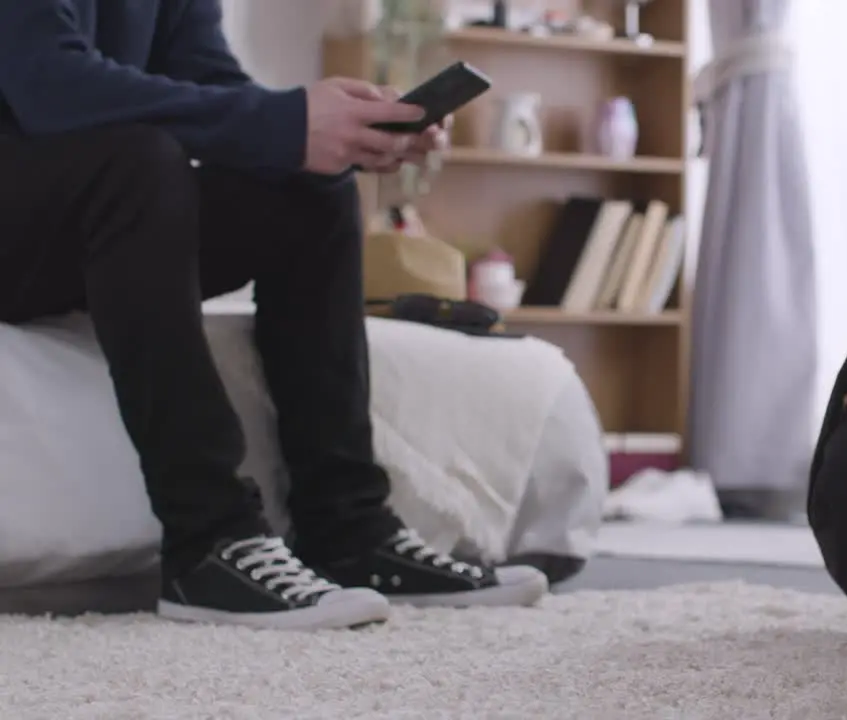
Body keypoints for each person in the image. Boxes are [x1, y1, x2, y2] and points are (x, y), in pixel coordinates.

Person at [0, 0, 549, 631]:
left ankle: (348, 529)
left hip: (84, 213)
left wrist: (341, 128)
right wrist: (286, 122)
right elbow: (49, 87)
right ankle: (209, 541)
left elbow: (211, 84)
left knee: (311, 184)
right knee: (140, 162)